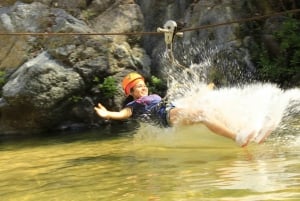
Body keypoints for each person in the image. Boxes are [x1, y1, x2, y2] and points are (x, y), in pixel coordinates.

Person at [94, 72, 250, 146]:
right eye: (139, 87)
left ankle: (243, 130)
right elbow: (123, 114)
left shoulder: (153, 96)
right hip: (166, 115)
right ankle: (237, 137)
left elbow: (175, 103)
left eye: (143, 85)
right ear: (132, 92)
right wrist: (108, 114)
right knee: (202, 114)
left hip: (172, 109)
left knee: (207, 106)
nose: (143, 88)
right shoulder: (133, 106)